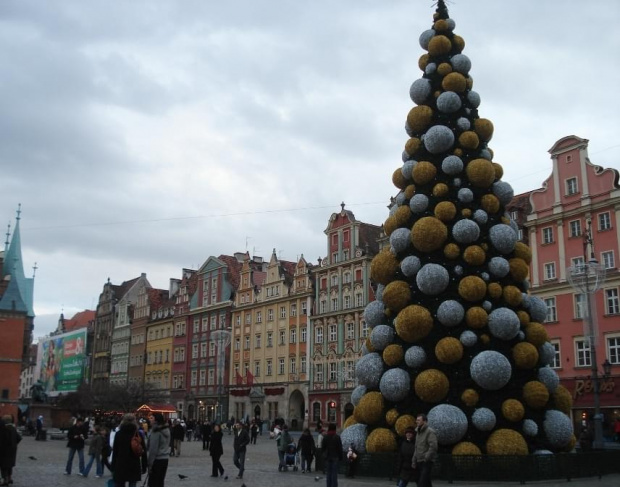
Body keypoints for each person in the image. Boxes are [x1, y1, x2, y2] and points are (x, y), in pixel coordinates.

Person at [111, 413, 148, 487]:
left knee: (120, 484)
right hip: (134, 464)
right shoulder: (138, 434)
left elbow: (115, 451)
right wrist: (144, 465)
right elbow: (143, 451)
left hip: (121, 464)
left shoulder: (119, 434)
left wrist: (113, 466)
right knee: (132, 484)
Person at [412, 414, 437, 487]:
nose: (417, 421)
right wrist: (414, 460)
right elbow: (416, 447)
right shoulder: (418, 432)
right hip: (419, 461)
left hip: (426, 461)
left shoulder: (430, 432)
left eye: (419, 420)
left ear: (425, 421)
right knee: (425, 481)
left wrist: (427, 457)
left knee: (422, 482)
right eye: (416, 420)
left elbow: (433, 446)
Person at [147, 413, 170, 487]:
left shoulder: (156, 431)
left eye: (151, 418)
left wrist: (150, 463)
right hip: (165, 458)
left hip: (157, 459)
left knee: (153, 483)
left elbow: (153, 449)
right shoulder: (166, 430)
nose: (149, 420)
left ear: (156, 420)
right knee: (160, 482)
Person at [0, 415, 21, 486]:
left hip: (4, 450)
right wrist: (14, 444)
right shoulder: (13, 428)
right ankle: (9, 478)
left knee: (3, 465)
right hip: (12, 450)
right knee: (10, 465)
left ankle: (5, 480)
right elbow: (19, 437)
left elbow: (2, 439)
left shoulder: (4, 428)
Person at [321, 423, 342, 487]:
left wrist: (324, 454)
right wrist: (340, 457)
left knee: (328, 473)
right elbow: (340, 448)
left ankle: (329, 485)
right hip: (335, 457)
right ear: (335, 429)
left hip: (327, 456)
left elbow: (323, 447)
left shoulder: (325, 437)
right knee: (334, 474)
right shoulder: (337, 437)